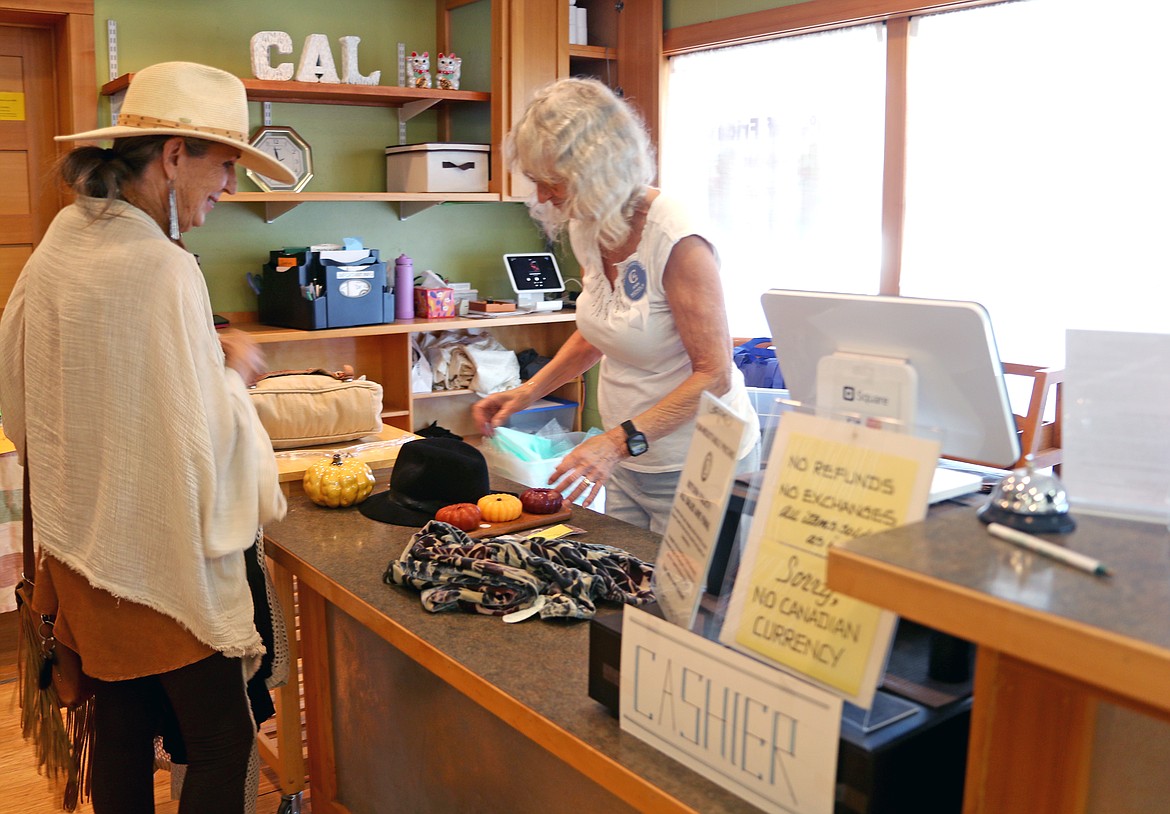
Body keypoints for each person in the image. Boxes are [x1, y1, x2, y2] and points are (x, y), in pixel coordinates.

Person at [0, 62, 293, 813]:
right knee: (223, 744)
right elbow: (205, 441)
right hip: (161, 568)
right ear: (172, 156)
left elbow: (18, 379)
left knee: (122, 729)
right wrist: (236, 372)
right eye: (224, 164)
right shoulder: (163, 269)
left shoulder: (59, 246)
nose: (229, 185)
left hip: (84, 558)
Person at [473, 78, 760, 535]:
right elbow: (601, 328)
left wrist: (615, 443)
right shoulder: (589, 223)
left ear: (599, 168)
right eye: (537, 181)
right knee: (624, 588)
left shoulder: (677, 239)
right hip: (630, 462)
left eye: (554, 182)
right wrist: (528, 393)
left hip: (699, 462)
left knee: (686, 603)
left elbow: (715, 373)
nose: (544, 196)